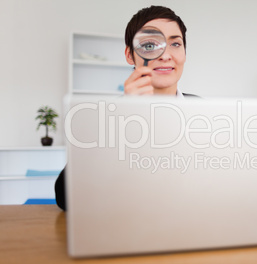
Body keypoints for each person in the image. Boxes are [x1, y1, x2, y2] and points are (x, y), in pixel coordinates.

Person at [55, 5, 198, 210]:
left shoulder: (204, 110)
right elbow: (66, 198)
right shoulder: (109, 115)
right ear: (130, 55)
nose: (166, 55)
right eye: (150, 45)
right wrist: (124, 118)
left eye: (175, 43)